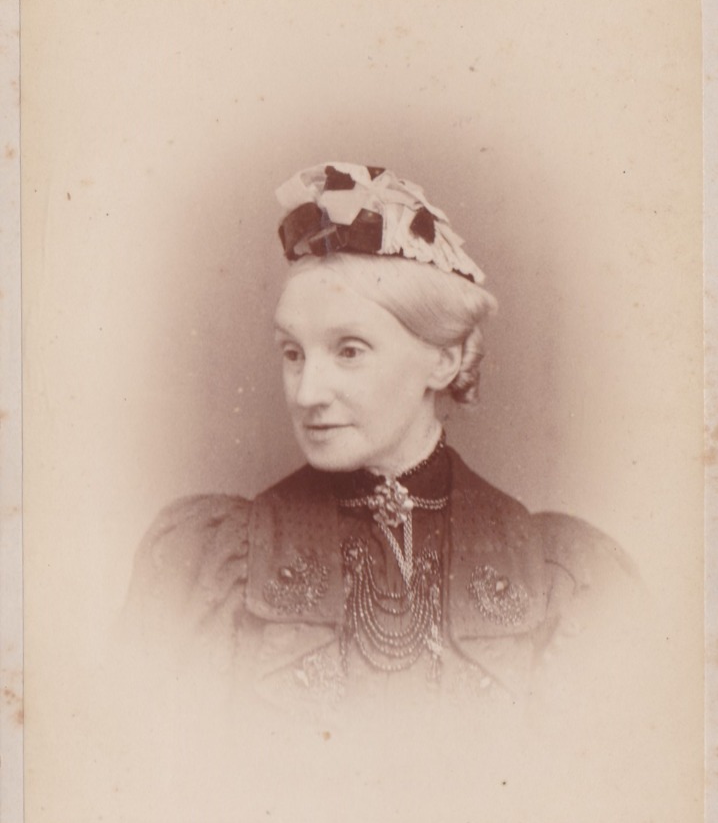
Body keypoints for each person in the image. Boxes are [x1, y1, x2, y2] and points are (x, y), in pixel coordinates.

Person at [124, 161, 642, 711]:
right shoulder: (206, 565)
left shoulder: (561, 577)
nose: (306, 393)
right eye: (293, 353)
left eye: (349, 351)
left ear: (443, 360)